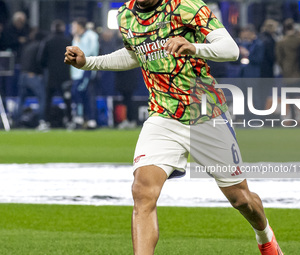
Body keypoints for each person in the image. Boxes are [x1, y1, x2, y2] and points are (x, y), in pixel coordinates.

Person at [65, 0, 283, 254]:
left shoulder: (186, 6)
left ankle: (265, 236)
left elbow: (230, 49)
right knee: (142, 191)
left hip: (205, 114)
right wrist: (88, 62)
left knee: (241, 199)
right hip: (162, 115)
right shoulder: (125, 15)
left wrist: (194, 47)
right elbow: (135, 54)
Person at [38, 20, 72, 130]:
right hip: (65, 75)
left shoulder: (47, 41)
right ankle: (70, 121)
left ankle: (45, 122)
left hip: (51, 76)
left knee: (48, 99)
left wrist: (47, 68)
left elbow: (41, 59)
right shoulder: (68, 41)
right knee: (67, 99)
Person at [70, 18, 99, 129]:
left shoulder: (91, 36)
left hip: (87, 70)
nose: (72, 29)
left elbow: (92, 52)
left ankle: (91, 120)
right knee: (77, 94)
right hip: (76, 72)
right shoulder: (76, 38)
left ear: (79, 26)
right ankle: (79, 118)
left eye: (74, 26)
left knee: (88, 94)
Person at [14, 29, 46, 128]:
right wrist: (40, 72)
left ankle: (16, 121)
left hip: (22, 74)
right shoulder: (40, 46)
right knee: (42, 97)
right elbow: (40, 60)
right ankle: (41, 120)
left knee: (21, 99)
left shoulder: (27, 46)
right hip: (32, 75)